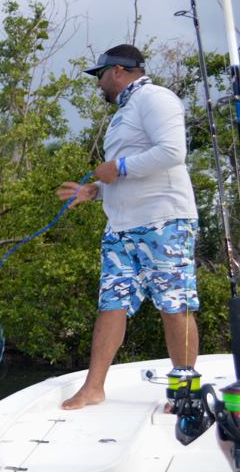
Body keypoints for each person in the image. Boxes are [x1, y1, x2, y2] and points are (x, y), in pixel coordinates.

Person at [56, 44, 200, 410]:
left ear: (118, 71)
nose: (98, 84)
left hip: (164, 220)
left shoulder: (155, 98)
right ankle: (94, 388)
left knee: (174, 304)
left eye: (100, 76)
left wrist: (118, 168)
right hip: (121, 226)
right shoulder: (123, 115)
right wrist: (94, 188)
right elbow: (127, 168)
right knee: (111, 302)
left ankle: (184, 392)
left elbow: (172, 152)